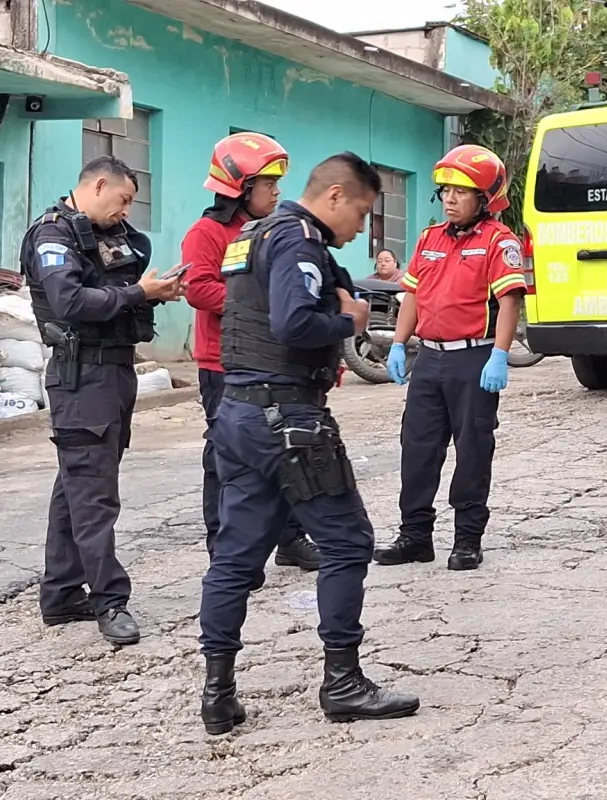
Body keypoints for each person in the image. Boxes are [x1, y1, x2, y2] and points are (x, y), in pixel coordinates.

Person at [197, 152, 420, 734]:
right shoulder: (298, 240)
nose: (361, 229)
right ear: (335, 195)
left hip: (239, 414)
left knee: (235, 556)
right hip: (288, 419)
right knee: (348, 542)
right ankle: (343, 682)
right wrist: (351, 322)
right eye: (362, 213)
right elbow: (293, 323)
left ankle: (218, 693)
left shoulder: (254, 235)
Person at [23, 156, 183, 645]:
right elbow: (70, 302)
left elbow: (118, 285)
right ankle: (110, 600)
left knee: (77, 486)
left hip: (113, 371)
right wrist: (138, 293)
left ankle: (60, 594)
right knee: (94, 495)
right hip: (82, 376)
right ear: (97, 186)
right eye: (124, 199)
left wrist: (153, 292)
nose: (126, 210)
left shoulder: (106, 236)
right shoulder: (53, 235)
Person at [373, 144, 526, 572]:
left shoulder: (499, 241)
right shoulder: (430, 238)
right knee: (417, 448)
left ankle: (467, 539)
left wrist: (500, 354)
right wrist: (399, 344)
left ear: (485, 198)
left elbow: (510, 302)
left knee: (473, 449)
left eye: (461, 191)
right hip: (430, 360)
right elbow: (412, 295)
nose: (450, 199)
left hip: (473, 360)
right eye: (446, 191)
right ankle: (415, 536)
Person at [182, 132, 320, 574]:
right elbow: (198, 288)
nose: (277, 192)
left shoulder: (272, 230)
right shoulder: (207, 233)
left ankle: (290, 539)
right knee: (228, 459)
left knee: (286, 449)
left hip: (273, 361)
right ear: (240, 187)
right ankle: (225, 550)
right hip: (224, 364)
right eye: (268, 184)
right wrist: (260, 304)